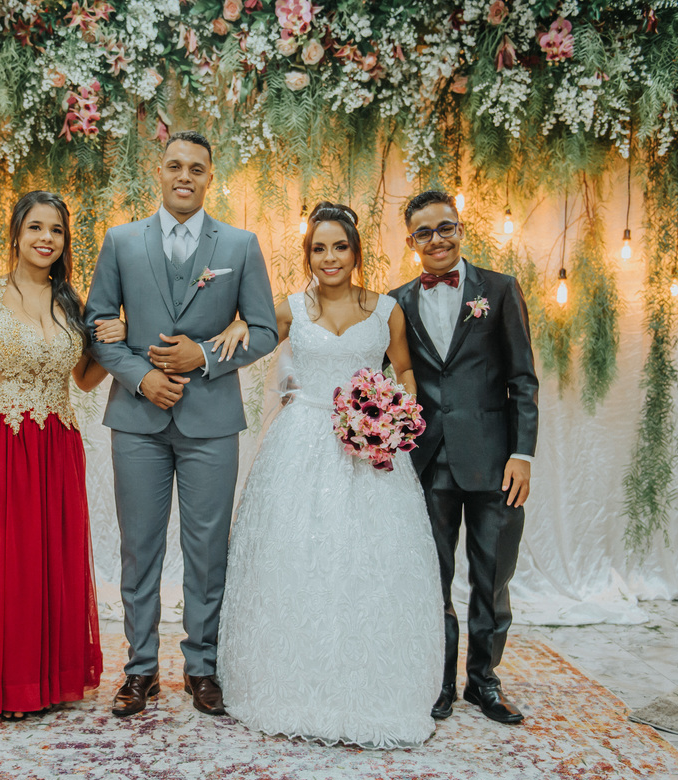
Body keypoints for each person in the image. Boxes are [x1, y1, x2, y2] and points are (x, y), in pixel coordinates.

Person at [215, 201, 443, 748]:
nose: (330, 257)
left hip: (369, 450)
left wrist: (394, 413)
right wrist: (238, 324)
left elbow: (404, 368)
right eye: (319, 248)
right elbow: (252, 333)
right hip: (301, 442)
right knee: (297, 556)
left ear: (356, 252)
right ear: (308, 255)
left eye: (340, 246)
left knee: (369, 562)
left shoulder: (386, 309)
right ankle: (289, 684)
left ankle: (371, 688)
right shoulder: (291, 308)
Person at [83, 131, 278, 718]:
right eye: (174, 165)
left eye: (196, 167)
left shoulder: (240, 245)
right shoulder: (120, 241)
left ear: (210, 177)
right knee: (139, 548)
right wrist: (141, 377)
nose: (184, 176)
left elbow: (264, 329)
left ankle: (202, 667)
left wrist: (206, 356)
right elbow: (98, 326)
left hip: (211, 422)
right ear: (159, 173)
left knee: (207, 549)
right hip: (137, 419)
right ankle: (140, 669)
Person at [0, 190, 125, 720]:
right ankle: (9, 685)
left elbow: (84, 380)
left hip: (57, 445)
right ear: (17, 235)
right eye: (36, 228)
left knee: (52, 565)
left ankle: (52, 680)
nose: (47, 238)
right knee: (10, 567)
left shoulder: (70, 304)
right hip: (3, 442)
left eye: (57, 230)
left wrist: (120, 338)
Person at [390, 190, 539, 725]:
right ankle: (439, 681)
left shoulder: (499, 290)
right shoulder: (397, 302)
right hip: (427, 461)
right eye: (424, 232)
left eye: (445, 227)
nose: (437, 239)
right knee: (431, 580)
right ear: (411, 242)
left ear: (460, 229)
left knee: (492, 578)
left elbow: (523, 380)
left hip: (496, 463)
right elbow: (388, 374)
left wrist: (522, 454)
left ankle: (483, 682)